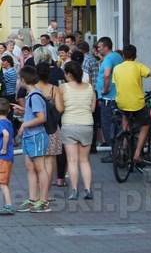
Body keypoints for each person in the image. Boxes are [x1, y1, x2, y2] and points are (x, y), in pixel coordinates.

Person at [55, 61, 96, 200]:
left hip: (69, 125)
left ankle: (74, 191)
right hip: (87, 125)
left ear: (68, 74)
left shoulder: (63, 87)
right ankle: (88, 189)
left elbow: (60, 109)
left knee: (72, 160)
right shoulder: (90, 87)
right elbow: (92, 108)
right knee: (84, 160)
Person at [113, 45, 151, 165]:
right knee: (146, 123)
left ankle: (124, 144)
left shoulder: (117, 68)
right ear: (135, 56)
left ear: (123, 55)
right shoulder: (138, 66)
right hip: (137, 103)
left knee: (125, 116)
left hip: (121, 102)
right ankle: (137, 153)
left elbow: (116, 83)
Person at [15, 66, 51, 213]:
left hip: (36, 135)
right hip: (30, 136)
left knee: (40, 168)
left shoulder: (35, 95)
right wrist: (23, 111)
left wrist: (24, 124)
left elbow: (41, 118)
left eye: (19, 79)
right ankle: (33, 199)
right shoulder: (33, 95)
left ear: (24, 80)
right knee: (30, 168)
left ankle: (43, 201)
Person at [35, 61, 66, 191]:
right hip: (51, 128)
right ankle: (47, 191)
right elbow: (60, 109)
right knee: (49, 160)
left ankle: (38, 189)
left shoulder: (33, 89)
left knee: (37, 160)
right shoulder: (54, 89)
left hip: (35, 128)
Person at [96, 37, 123, 162]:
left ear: (106, 47)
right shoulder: (117, 56)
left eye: (100, 46)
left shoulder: (108, 59)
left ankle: (114, 153)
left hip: (108, 97)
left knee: (107, 125)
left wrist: (105, 89)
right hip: (118, 96)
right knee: (118, 126)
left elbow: (107, 74)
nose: (98, 48)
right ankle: (119, 151)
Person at [0, 98, 15, 215]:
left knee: (2, 183)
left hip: (3, 156)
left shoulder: (0, 123)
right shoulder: (8, 122)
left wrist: (4, 148)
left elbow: (5, 134)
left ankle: (8, 205)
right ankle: (7, 204)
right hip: (9, 157)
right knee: (4, 182)